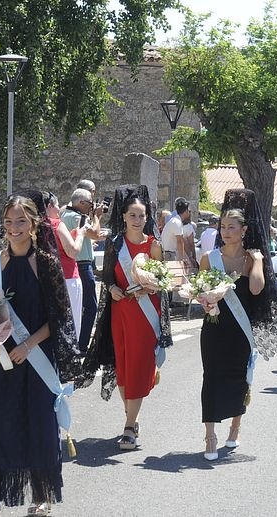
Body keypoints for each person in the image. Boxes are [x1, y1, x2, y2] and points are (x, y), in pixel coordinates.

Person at [0, 192, 81, 516]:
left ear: (33, 225)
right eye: (9, 222)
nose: (14, 228)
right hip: (3, 360)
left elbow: (60, 317)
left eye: (21, 222)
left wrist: (29, 345)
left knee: (38, 425)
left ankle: (41, 494)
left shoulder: (46, 262)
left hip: (37, 358)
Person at [77, 185, 172, 450]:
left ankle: (129, 427)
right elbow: (107, 277)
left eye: (141, 216)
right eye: (133, 215)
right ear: (124, 216)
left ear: (147, 217)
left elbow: (164, 281)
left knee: (139, 366)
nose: (137, 220)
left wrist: (148, 286)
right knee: (122, 369)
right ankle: (132, 415)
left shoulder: (154, 246)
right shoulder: (115, 244)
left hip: (145, 314)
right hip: (120, 313)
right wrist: (112, 288)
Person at [200, 189, 277, 460]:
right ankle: (210, 435)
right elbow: (200, 288)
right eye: (222, 226)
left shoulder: (252, 259)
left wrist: (259, 261)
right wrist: (204, 299)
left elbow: (258, 290)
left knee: (239, 379)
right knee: (211, 378)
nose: (226, 231)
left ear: (244, 229)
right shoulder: (209, 258)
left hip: (240, 331)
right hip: (214, 328)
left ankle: (235, 428)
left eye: (231, 227)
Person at [60, 188, 104, 352]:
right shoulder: (77, 217)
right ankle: (82, 344)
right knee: (90, 306)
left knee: (74, 307)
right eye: (90, 204)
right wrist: (97, 216)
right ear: (81, 203)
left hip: (73, 264)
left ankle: (73, 342)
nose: (91, 207)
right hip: (82, 265)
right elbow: (95, 233)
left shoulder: (64, 215)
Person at [45, 192, 84, 349]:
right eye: (56, 205)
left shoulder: (35, 225)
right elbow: (72, 251)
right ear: (49, 206)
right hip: (67, 276)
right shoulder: (56, 223)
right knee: (71, 322)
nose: (58, 209)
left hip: (46, 277)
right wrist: (80, 234)